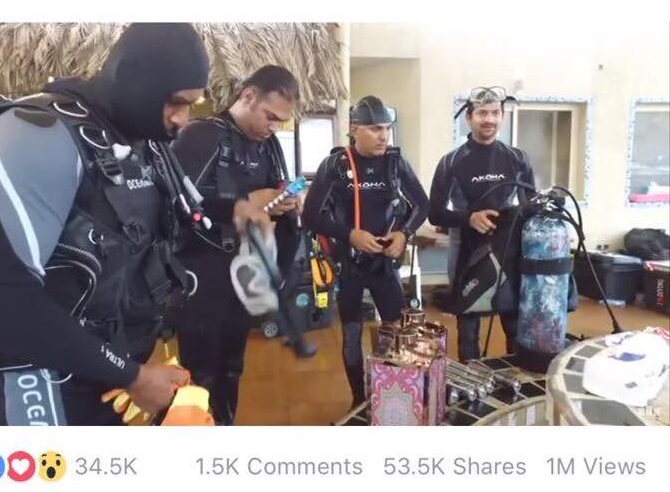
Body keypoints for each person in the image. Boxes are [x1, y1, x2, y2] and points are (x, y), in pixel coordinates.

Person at [0, 23, 267, 425]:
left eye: (192, 104)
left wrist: (238, 210)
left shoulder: (144, 143)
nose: (183, 119)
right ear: (136, 80)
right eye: (175, 102)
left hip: (104, 377)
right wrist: (131, 375)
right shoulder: (35, 137)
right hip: (33, 383)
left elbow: (187, 216)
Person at [172, 65, 306, 425]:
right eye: (270, 116)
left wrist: (288, 200)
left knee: (232, 367)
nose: (273, 126)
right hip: (202, 275)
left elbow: (278, 190)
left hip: (242, 275)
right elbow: (178, 205)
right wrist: (247, 200)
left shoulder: (270, 144)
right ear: (247, 96)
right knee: (199, 374)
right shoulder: (201, 136)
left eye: (281, 121)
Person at [302, 96, 429, 408]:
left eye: (386, 128)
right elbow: (311, 217)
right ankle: (358, 402)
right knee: (351, 334)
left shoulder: (396, 164)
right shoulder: (336, 165)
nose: (383, 136)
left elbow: (423, 205)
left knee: (399, 332)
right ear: (355, 129)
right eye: (374, 129)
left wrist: (403, 233)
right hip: (350, 265)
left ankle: (396, 396)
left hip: (384, 266)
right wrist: (351, 235)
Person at [428, 86, 535, 362]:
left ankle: (516, 388)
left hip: (508, 252)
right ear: (469, 117)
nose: (489, 119)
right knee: (468, 330)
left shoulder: (517, 158)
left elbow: (532, 208)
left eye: (495, 113)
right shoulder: (451, 162)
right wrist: (468, 218)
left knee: (514, 323)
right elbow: (435, 214)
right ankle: (470, 392)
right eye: (482, 113)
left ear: (502, 116)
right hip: (466, 252)